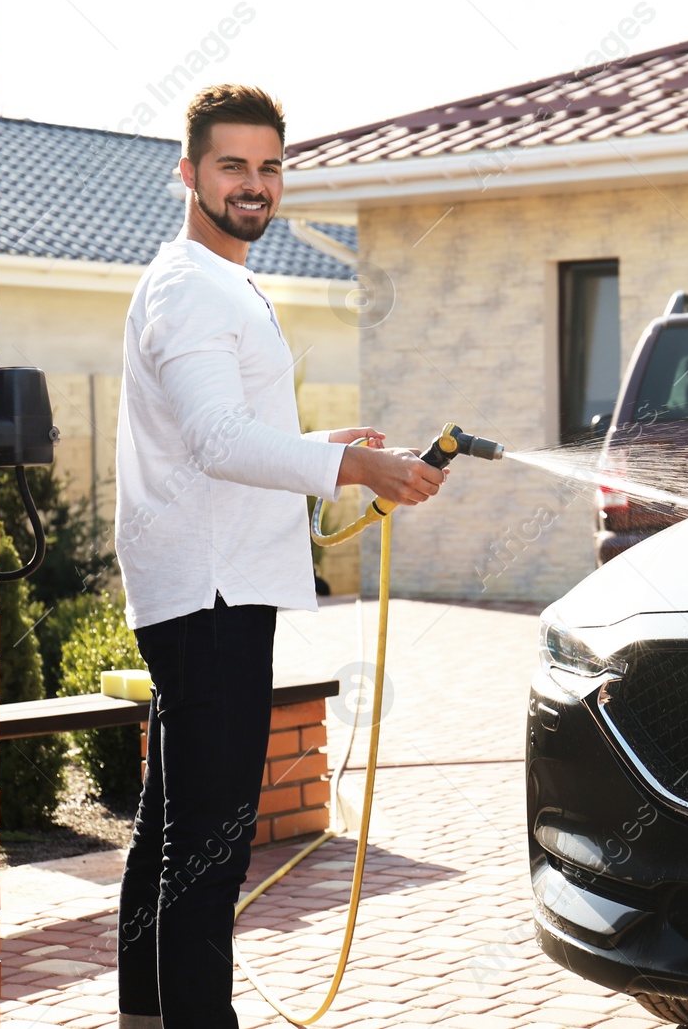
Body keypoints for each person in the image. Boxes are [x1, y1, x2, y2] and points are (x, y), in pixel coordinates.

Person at [112, 83, 445, 1029]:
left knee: (168, 834)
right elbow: (217, 440)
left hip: (207, 590)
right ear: (189, 173)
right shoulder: (188, 286)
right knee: (209, 852)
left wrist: (324, 442)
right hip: (210, 597)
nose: (254, 184)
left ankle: (145, 1019)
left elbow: (221, 435)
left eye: (268, 166)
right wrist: (354, 463)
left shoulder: (221, 284)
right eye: (232, 166)